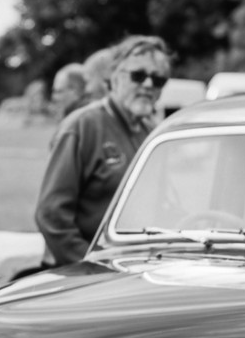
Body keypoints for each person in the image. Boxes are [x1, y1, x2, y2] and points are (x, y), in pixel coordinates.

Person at [35, 35, 172, 266]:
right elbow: (52, 215)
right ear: (115, 77)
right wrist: (90, 264)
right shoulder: (81, 126)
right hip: (82, 274)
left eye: (158, 79)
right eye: (138, 75)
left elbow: (162, 206)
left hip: (134, 268)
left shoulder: (152, 133)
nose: (149, 85)